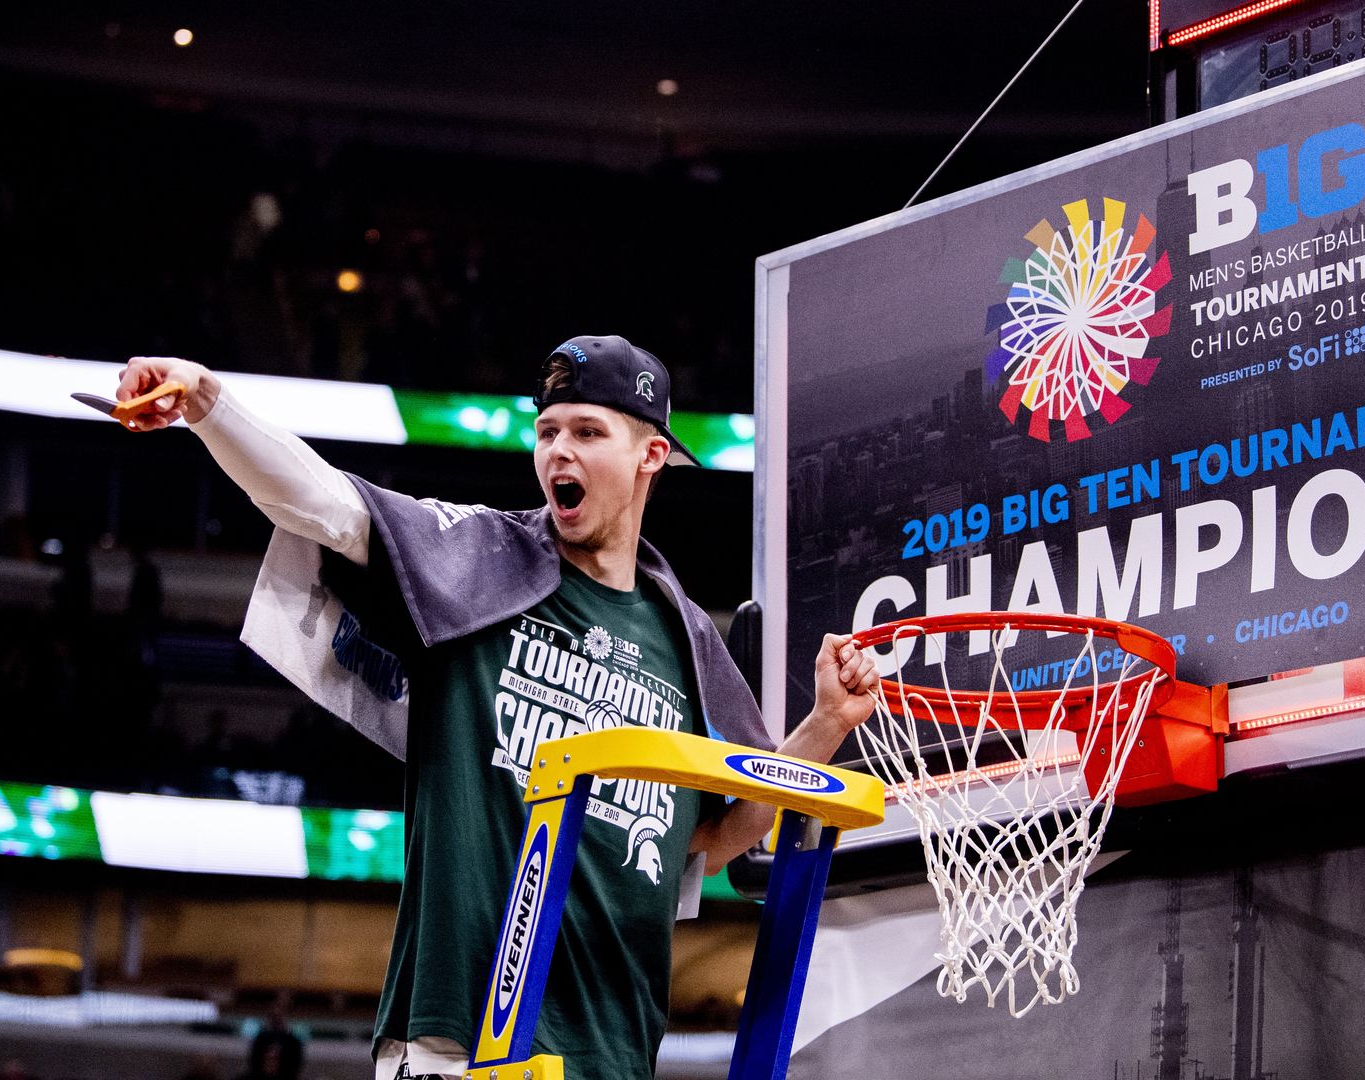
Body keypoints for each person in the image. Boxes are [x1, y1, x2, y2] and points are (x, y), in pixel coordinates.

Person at [111, 335, 878, 1080]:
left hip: (613, 1049)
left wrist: (825, 725)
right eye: (546, 432)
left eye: (586, 431)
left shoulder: (684, 637)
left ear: (651, 456)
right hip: (464, 1036)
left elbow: (708, 838)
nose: (557, 452)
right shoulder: (478, 557)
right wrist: (211, 404)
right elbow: (321, 502)